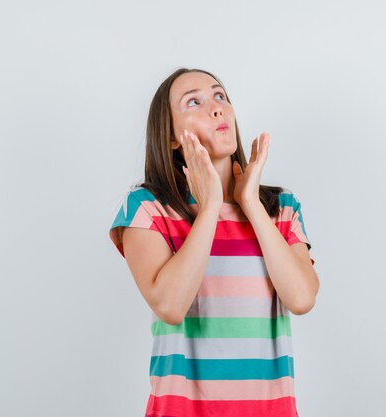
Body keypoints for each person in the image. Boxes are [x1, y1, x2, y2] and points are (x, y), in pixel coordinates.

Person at [108, 67, 319, 417]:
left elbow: (301, 298)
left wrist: (250, 203)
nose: (217, 108)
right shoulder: (146, 208)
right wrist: (209, 208)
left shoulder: (280, 209)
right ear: (172, 137)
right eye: (194, 102)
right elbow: (171, 305)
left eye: (220, 96)